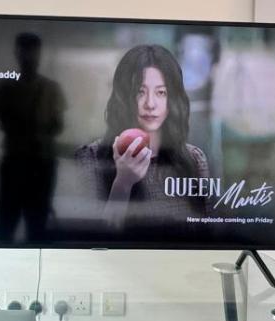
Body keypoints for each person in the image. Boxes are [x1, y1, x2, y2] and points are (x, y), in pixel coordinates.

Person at [74, 43, 209, 231]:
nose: (150, 104)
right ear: (124, 97)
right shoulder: (90, 158)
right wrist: (122, 183)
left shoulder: (193, 159)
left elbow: (208, 233)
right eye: (140, 92)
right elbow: (92, 239)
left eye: (161, 92)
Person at [0, 33, 66, 242]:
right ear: (17, 53)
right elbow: (5, 123)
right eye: (26, 51)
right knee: (8, 222)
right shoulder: (6, 87)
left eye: (32, 52)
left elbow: (58, 126)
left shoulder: (49, 88)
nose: (29, 57)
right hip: (20, 162)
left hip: (39, 163)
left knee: (35, 224)